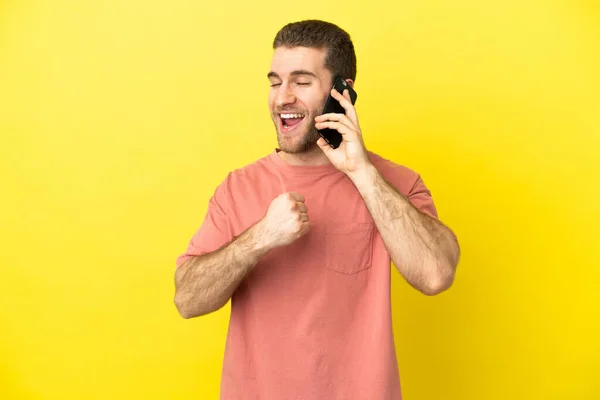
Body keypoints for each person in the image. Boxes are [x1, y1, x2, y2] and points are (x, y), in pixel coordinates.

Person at [174, 19, 460, 400]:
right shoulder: (237, 188)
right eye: (275, 82)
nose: (282, 97)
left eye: (302, 82)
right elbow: (187, 301)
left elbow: (436, 274)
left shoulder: (396, 183)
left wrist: (363, 174)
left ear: (342, 92)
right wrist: (258, 238)